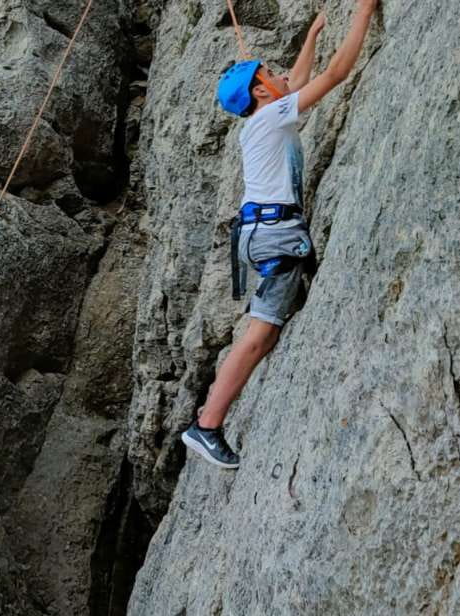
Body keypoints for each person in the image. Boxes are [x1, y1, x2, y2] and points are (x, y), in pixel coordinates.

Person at [181, 0, 380, 469]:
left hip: (261, 232)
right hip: (274, 236)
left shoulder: (262, 119)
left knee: (263, 336)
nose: (280, 75)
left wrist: (311, 34)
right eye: (269, 73)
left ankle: (208, 411)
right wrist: (363, 14)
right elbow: (332, 75)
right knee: (257, 336)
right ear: (260, 91)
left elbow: (297, 78)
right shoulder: (271, 117)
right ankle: (206, 425)